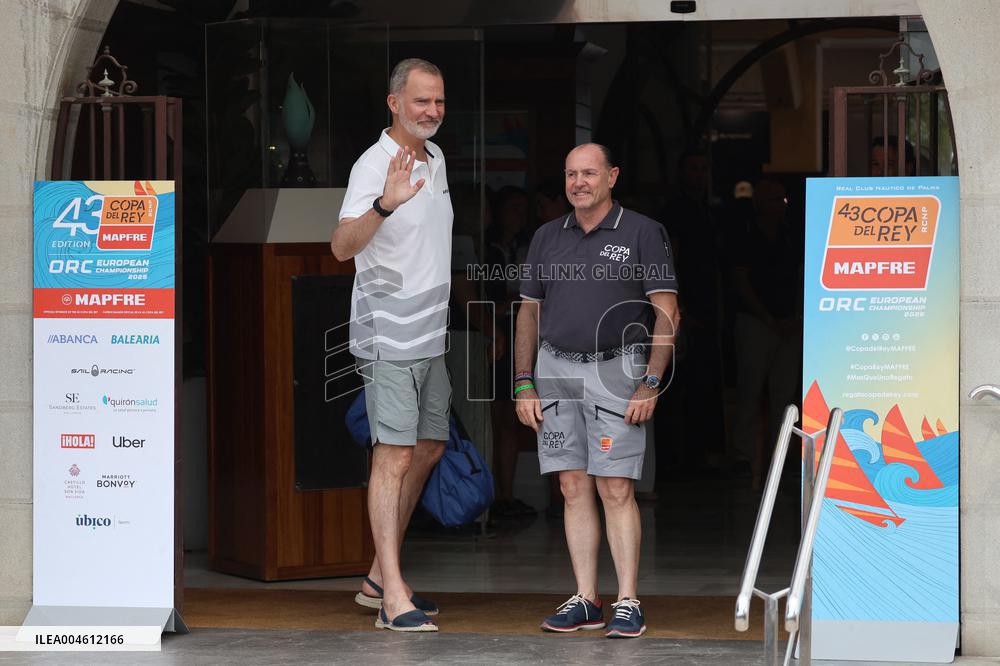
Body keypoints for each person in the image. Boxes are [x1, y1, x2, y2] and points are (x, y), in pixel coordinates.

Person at [513, 143, 680, 638]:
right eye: (571, 174)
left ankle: (628, 600)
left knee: (615, 486)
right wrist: (523, 381)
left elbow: (667, 310)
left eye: (589, 173)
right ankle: (586, 598)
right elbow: (529, 312)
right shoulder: (547, 236)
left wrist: (651, 381)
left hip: (616, 370)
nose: (578, 183)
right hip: (555, 370)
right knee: (571, 486)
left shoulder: (643, 231)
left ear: (612, 176)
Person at [330, 58, 450, 633]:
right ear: (394, 103)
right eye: (421, 100)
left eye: (439, 101)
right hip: (388, 334)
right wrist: (384, 204)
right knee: (394, 455)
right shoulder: (373, 165)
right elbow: (340, 246)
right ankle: (391, 600)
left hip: (430, 334)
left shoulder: (437, 157)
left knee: (428, 448)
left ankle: (381, 576)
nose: (432, 111)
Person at [728, 179, 802, 485]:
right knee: (750, 392)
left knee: (784, 396)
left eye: (782, 199)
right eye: (772, 199)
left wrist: (796, 316)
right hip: (756, 323)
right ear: (758, 202)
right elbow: (740, 281)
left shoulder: (792, 234)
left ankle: (780, 458)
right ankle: (743, 458)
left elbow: (802, 274)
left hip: (790, 324)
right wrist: (767, 318)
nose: (779, 205)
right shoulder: (744, 233)